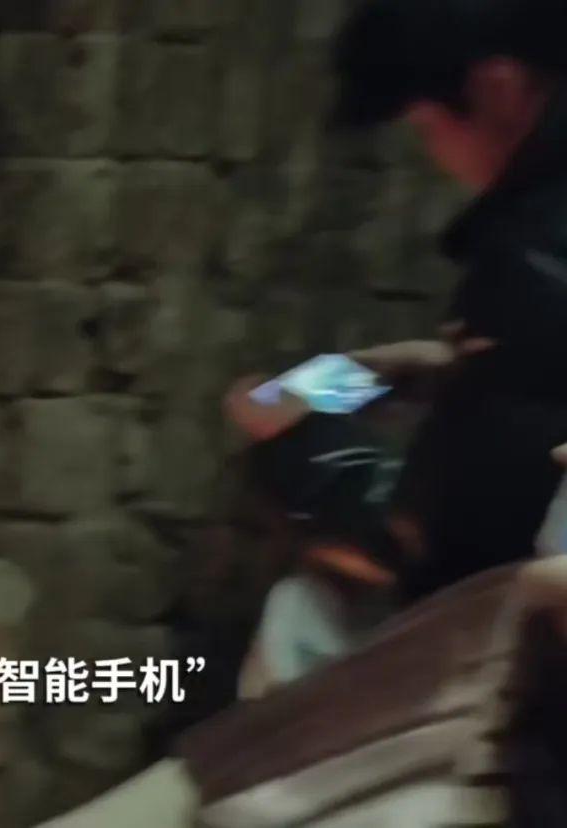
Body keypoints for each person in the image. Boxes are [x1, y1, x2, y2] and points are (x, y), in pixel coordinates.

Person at [228, 0, 567, 692]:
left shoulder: (535, 261)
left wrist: (304, 447)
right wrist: (399, 371)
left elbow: (448, 539)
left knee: (301, 617)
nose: (433, 155)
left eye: (426, 128)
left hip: (499, 658)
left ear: (498, 89)